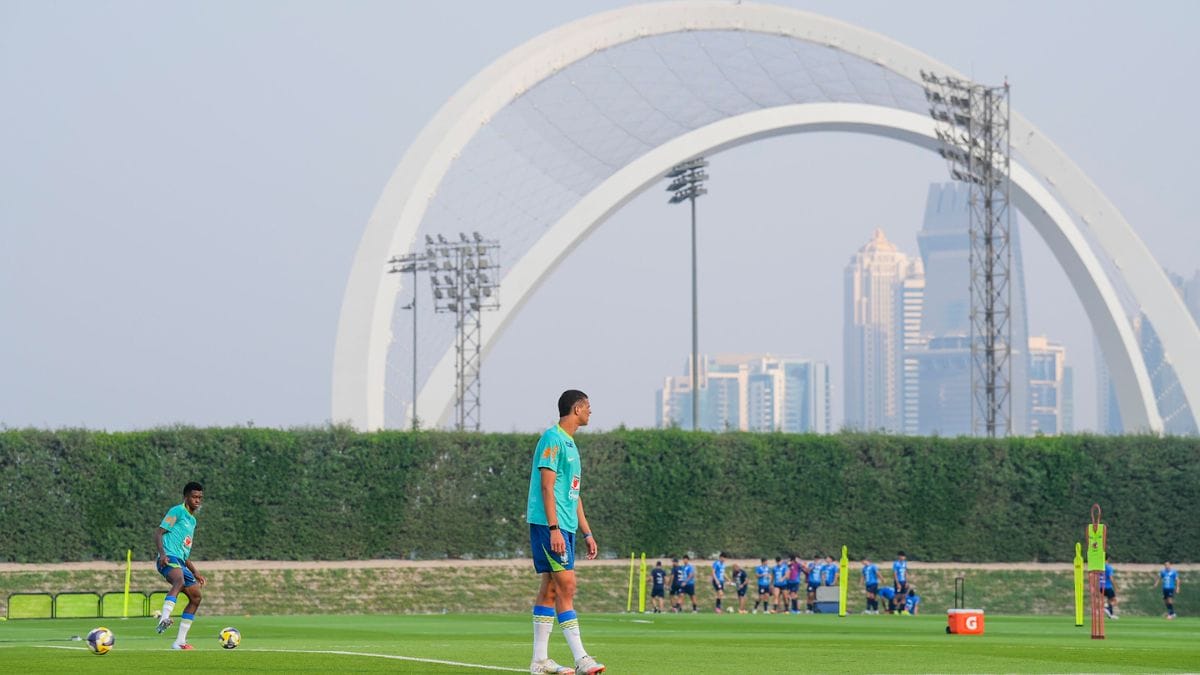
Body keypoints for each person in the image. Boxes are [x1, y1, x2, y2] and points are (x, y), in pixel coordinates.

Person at [526, 390, 605, 675]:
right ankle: (581, 658)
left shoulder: (571, 444)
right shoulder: (553, 438)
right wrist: (554, 528)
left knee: (551, 589)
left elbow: (574, 493)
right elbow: (546, 486)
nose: (591, 412)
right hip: (551, 526)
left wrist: (587, 533)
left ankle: (540, 661)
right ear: (577, 408)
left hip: (566, 527)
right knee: (567, 586)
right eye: (588, 406)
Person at [154, 481, 207, 650]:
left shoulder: (192, 521)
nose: (197, 500)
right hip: (168, 558)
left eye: (200, 497)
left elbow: (185, 554)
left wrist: (196, 572)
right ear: (186, 497)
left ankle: (179, 642)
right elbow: (159, 533)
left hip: (180, 562)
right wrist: (162, 554)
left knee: (196, 597)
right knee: (180, 581)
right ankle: (164, 618)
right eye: (194, 497)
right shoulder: (176, 511)